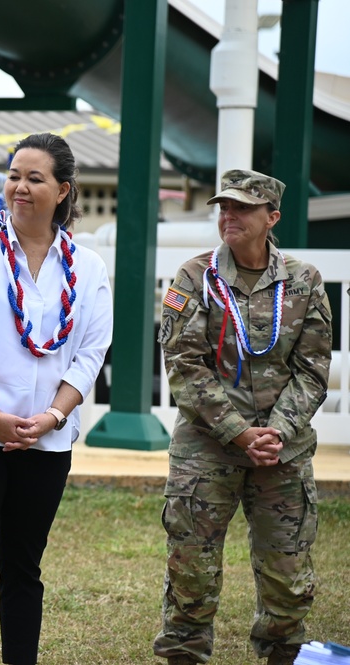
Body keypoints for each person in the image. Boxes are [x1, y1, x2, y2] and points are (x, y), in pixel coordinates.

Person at [0, 132, 114, 665]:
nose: (19, 187)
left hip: (47, 438)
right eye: (14, 175)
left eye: (35, 178)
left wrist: (53, 416)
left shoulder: (90, 268)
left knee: (24, 568)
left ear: (63, 191)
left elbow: (90, 354)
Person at [153, 169, 331, 665]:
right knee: (191, 571)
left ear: (271, 217)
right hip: (207, 449)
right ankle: (185, 656)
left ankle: (282, 656)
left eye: (242, 209)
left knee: (288, 574)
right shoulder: (195, 277)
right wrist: (238, 431)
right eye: (223, 208)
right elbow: (183, 366)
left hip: (283, 451)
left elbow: (313, 370)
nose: (228, 216)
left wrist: (275, 432)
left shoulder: (304, 281)